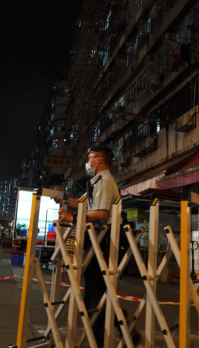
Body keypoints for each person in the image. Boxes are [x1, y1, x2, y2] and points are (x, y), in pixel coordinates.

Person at [56, 145, 139, 346]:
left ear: (98, 160)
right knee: (101, 292)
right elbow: (83, 204)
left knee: (95, 296)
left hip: (102, 242)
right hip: (98, 240)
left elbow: (101, 213)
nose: (87, 162)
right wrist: (64, 198)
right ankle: (126, 331)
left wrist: (73, 218)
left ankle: (99, 341)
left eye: (89, 158)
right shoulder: (97, 183)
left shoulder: (104, 181)